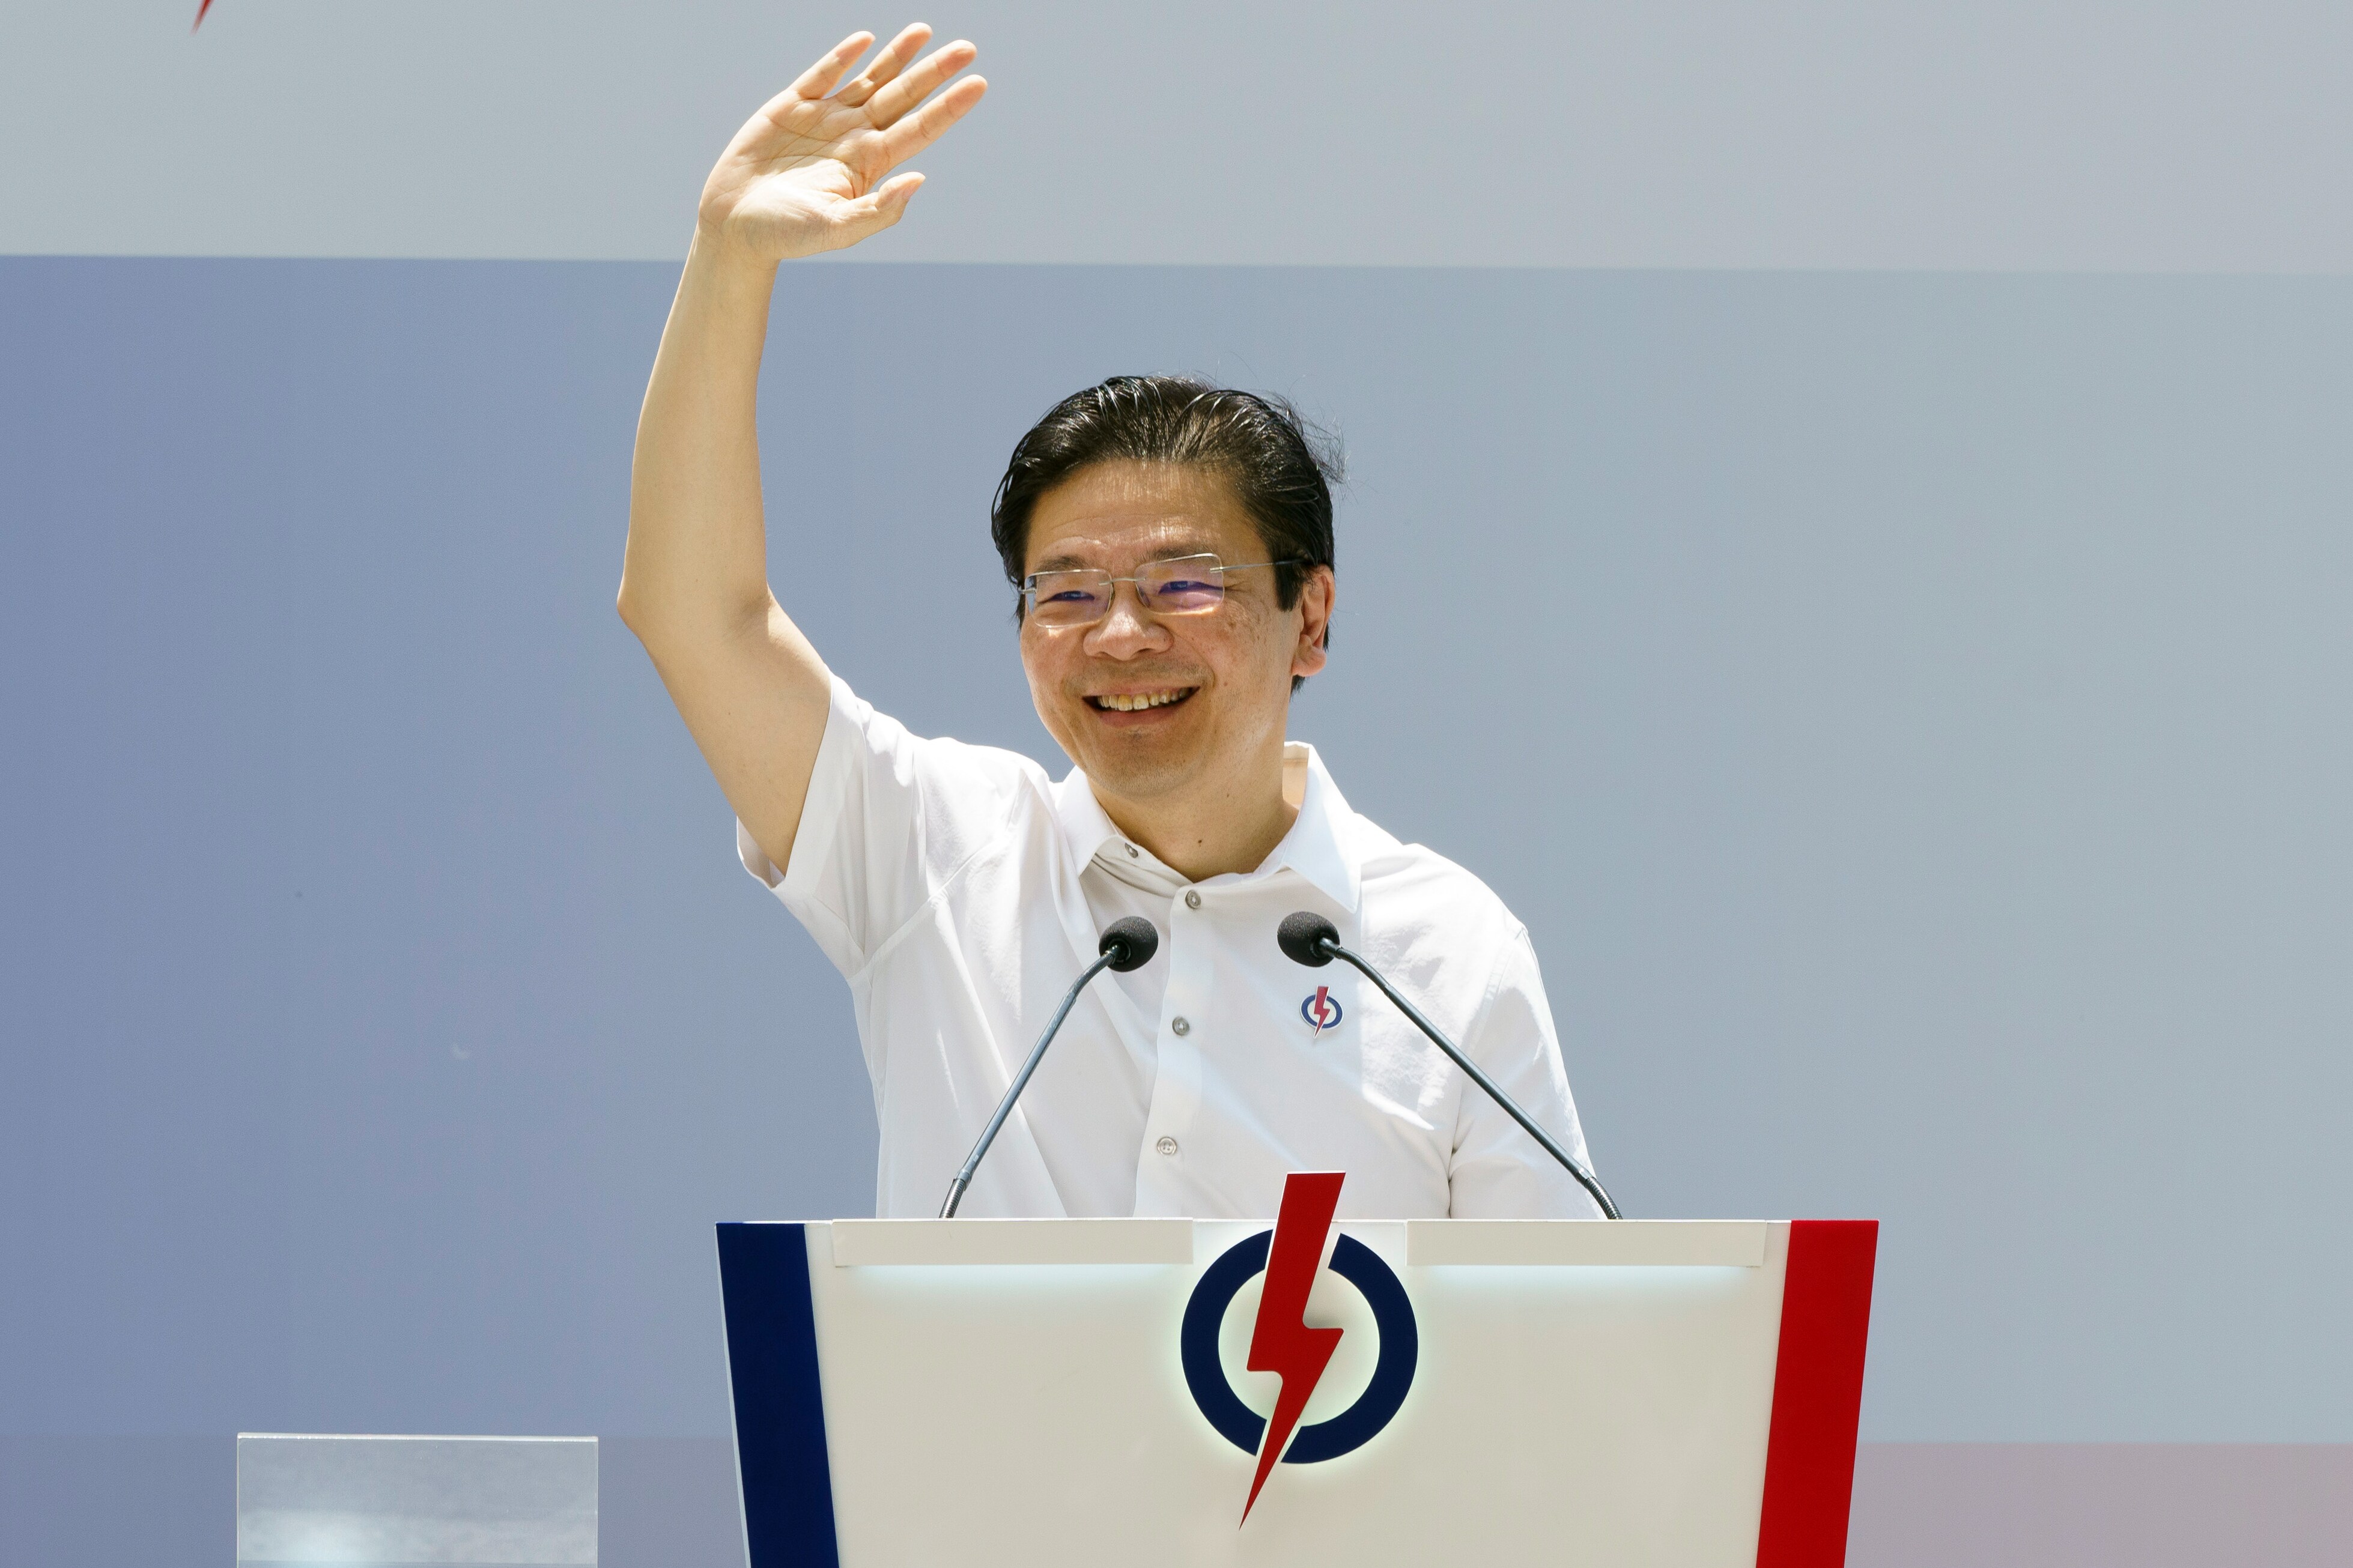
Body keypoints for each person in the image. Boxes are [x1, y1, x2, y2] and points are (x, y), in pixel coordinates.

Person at [620, 24, 1602, 1220]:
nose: (1120, 636)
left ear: (1309, 616)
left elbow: (1554, 1309)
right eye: (1068, 591)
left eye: (1182, 584)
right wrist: (728, 258)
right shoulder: (935, 851)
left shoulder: (1444, 950)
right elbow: (694, 613)